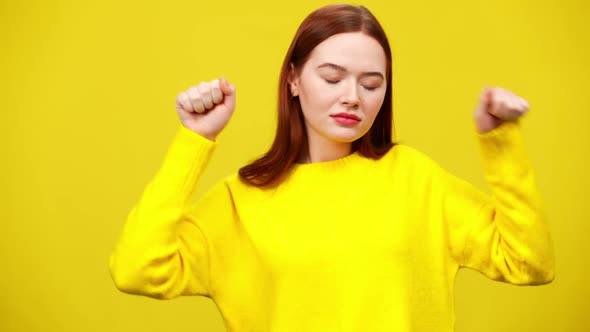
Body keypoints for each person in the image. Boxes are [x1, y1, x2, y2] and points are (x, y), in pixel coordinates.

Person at [108, 3, 555, 331]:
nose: (353, 97)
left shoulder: (416, 179)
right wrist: (195, 140)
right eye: (332, 77)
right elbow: (137, 269)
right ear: (294, 79)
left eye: (371, 83)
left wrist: (500, 142)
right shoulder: (240, 201)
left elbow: (530, 263)